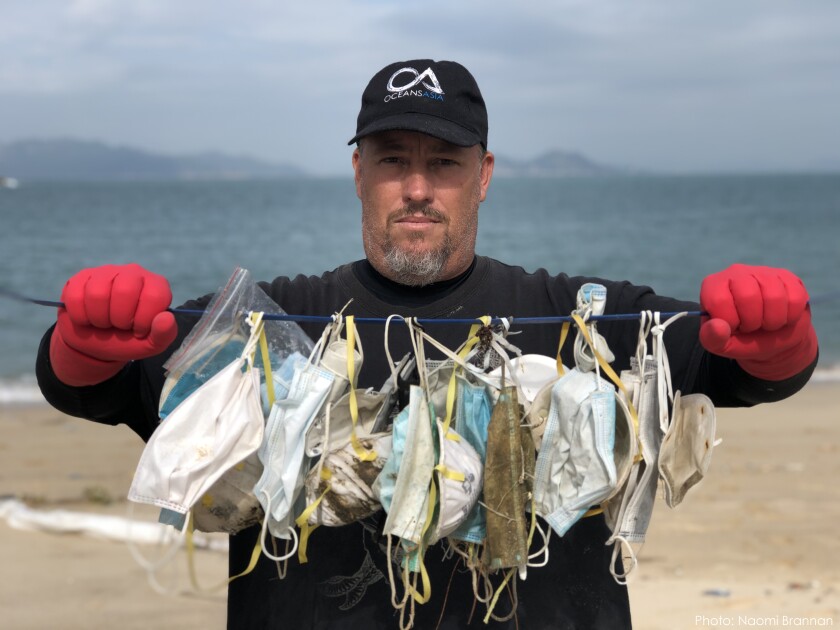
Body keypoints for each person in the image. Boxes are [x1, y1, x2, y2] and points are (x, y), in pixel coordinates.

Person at [36, 59, 818, 629]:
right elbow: (105, 385)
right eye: (392, 162)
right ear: (357, 173)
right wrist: (87, 339)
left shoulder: (581, 320)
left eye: (442, 163)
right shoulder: (271, 329)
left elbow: (737, 366)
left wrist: (778, 335)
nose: (416, 187)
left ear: (483, 176)